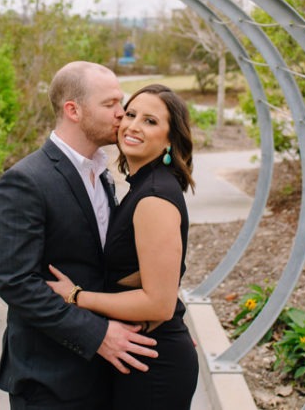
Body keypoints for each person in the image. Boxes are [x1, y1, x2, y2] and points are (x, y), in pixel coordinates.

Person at [0, 61, 159, 409]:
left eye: (121, 102)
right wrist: (97, 335)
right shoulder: (26, 181)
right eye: (110, 104)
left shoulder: (105, 173)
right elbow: (16, 282)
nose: (122, 113)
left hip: (104, 372)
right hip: (49, 379)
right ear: (73, 110)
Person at [46, 83, 199, 410]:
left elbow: (159, 305)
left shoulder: (154, 198)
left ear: (170, 139)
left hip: (153, 364)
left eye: (150, 121)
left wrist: (76, 296)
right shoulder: (143, 185)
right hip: (140, 351)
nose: (133, 126)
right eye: (131, 114)